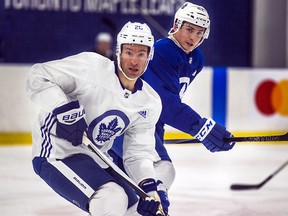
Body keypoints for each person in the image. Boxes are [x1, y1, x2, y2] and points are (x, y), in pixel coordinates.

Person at [26, 21, 166, 216]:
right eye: (129, 52)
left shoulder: (149, 102)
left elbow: (137, 153)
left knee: (137, 210)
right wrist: (62, 108)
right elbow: (38, 76)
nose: (134, 61)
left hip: (94, 157)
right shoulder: (92, 66)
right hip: (55, 151)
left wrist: (150, 190)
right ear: (118, 52)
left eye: (141, 54)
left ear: (149, 56)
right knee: (112, 197)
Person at [110, 2, 236, 215]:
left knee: (131, 193)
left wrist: (158, 132)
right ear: (177, 24)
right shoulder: (160, 51)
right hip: (127, 120)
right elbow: (164, 102)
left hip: (146, 122)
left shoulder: (197, 59)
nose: (193, 37)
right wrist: (200, 126)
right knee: (162, 172)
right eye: (189, 29)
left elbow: (161, 105)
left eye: (199, 32)